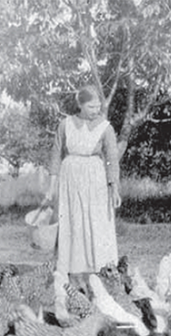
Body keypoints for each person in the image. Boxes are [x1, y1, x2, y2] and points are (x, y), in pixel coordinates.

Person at [44, 85, 121, 282]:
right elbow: (55, 155)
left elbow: (112, 159)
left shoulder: (106, 128)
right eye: (91, 107)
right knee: (72, 220)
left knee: (95, 220)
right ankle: (72, 268)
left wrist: (114, 188)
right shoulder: (65, 125)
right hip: (70, 178)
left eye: (98, 107)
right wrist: (51, 188)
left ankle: (100, 268)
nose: (96, 111)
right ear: (80, 105)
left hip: (95, 179)